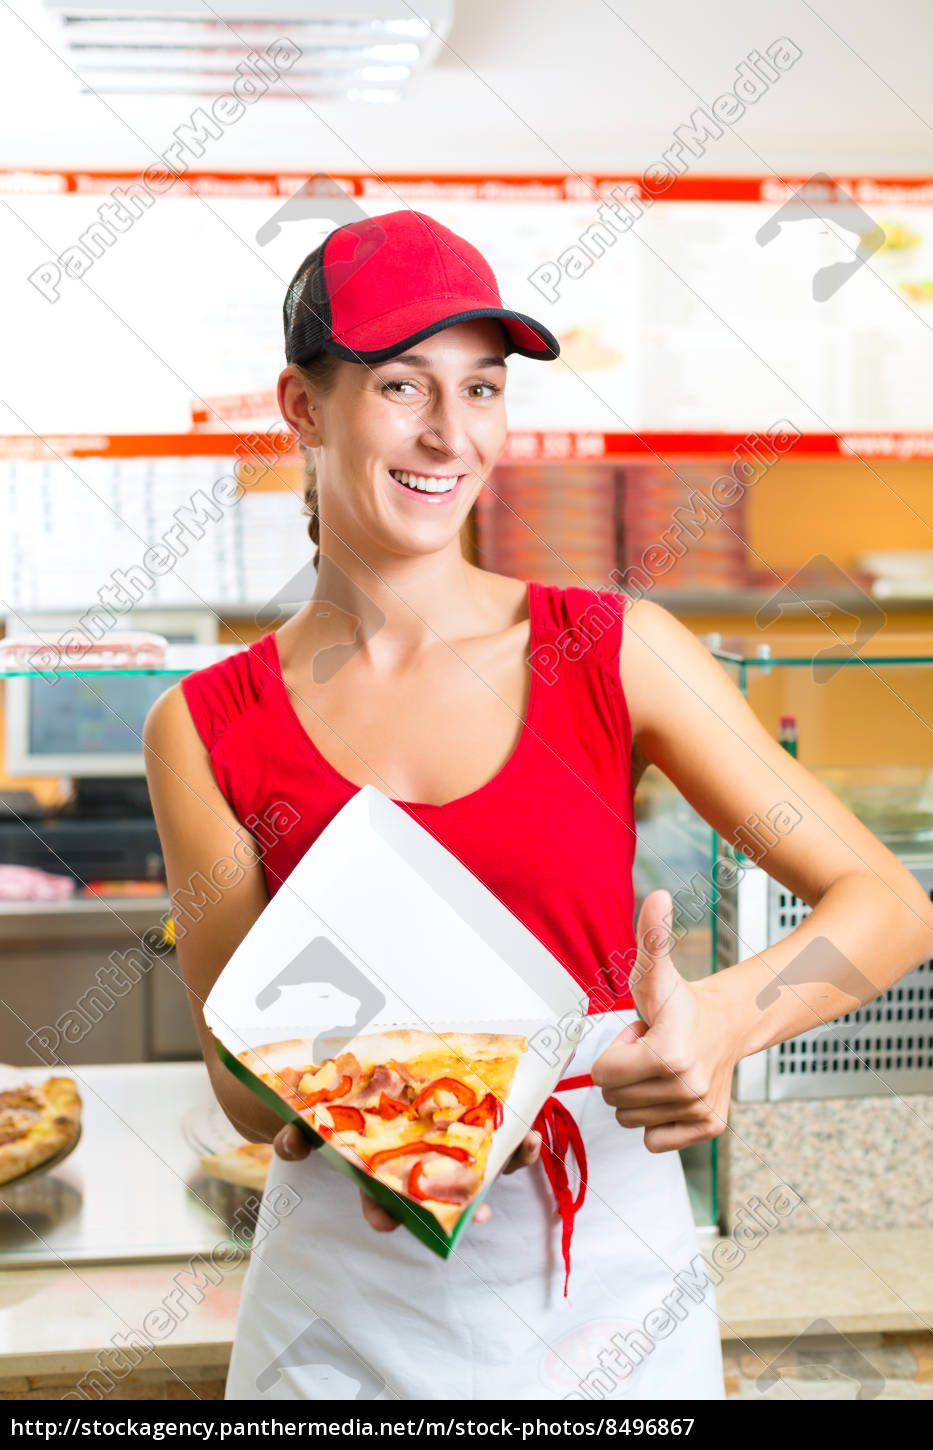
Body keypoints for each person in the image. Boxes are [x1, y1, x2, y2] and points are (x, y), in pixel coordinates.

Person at [143, 209, 933, 1402]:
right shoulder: (202, 726)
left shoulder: (617, 652)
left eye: (483, 387)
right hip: (342, 1311)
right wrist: (371, 1098)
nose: (449, 434)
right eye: (400, 384)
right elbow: (233, 1074)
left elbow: (887, 904)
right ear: (302, 407)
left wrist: (721, 1017)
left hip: (608, 1275)